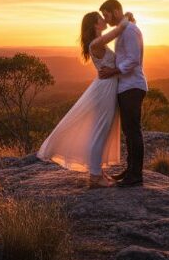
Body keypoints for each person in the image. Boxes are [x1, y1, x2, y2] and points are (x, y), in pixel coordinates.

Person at [37, 9, 135, 188]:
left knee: (103, 130)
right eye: (100, 18)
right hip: (105, 89)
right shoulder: (96, 43)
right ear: (95, 25)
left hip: (107, 87)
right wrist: (126, 16)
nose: (104, 19)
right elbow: (118, 30)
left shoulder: (98, 42)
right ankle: (95, 176)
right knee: (101, 131)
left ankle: (98, 171)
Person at [97, 0, 147, 187]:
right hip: (126, 86)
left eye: (106, 14)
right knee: (128, 131)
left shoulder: (130, 30)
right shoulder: (123, 30)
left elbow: (133, 59)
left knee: (133, 131)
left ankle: (136, 175)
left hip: (133, 86)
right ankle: (130, 170)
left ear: (116, 11)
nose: (105, 19)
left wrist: (112, 71)